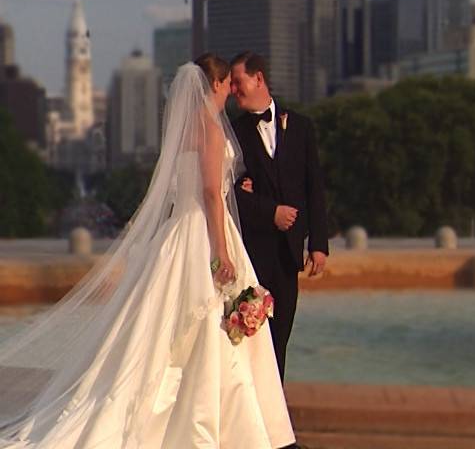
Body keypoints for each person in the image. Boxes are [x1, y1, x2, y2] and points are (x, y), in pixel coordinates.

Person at [0, 54, 295, 448]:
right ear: (217, 85)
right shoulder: (210, 128)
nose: (231, 91)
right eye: (227, 84)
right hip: (206, 230)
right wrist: (222, 251)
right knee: (207, 322)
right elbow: (209, 193)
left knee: (170, 325)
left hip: (181, 232)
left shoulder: (187, 129)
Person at [229, 51, 329, 382]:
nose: (233, 90)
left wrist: (318, 244)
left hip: (289, 253)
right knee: (251, 337)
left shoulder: (301, 126)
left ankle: (276, 422)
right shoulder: (234, 133)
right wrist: (269, 211)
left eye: (238, 82)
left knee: (281, 334)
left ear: (258, 79)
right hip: (252, 252)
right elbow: (227, 194)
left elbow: (314, 185)